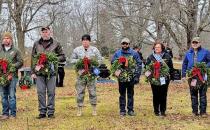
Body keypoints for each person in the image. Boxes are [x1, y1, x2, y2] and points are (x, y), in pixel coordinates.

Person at [31, 26, 66, 119]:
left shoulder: (56, 44)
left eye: (46, 32)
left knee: (51, 92)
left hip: (52, 72)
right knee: (40, 92)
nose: (45, 33)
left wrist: (53, 59)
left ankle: (50, 112)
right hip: (39, 73)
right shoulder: (36, 44)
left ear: (50, 32)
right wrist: (33, 72)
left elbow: (62, 57)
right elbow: (33, 58)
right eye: (43, 32)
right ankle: (42, 112)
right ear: (41, 33)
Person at [71, 34, 102, 116]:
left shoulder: (94, 50)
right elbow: (71, 60)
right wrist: (80, 61)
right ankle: (79, 109)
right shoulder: (77, 50)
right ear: (82, 41)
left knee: (93, 92)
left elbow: (100, 60)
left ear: (89, 41)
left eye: (87, 40)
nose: (85, 42)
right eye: (83, 40)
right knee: (80, 91)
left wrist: (92, 62)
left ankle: (94, 109)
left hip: (91, 74)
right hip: (81, 74)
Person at [111, 38, 142, 116]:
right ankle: (122, 110)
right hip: (121, 77)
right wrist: (116, 70)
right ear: (121, 44)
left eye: (126, 43)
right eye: (123, 43)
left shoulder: (134, 53)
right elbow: (112, 63)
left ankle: (130, 110)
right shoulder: (117, 53)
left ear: (129, 44)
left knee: (130, 94)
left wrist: (137, 76)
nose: (125, 45)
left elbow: (139, 64)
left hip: (131, 76)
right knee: (122, 94)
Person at [182, 37, 210, 117]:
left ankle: (203, 112)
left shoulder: (205, 52)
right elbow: (184, 64)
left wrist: (204, 67)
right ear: (191, 44)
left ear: (199, 43)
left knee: (202, 94)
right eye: (193, 43)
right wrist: (183, 75)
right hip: (192, 76)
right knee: (193, 94)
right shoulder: (188, 53)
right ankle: (194, 111)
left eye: (196, 42)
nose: (194, 44)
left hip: (202, 76)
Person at [145, 40, 174, 117]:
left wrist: (171, 76)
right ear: (154, 48)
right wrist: (148, 76)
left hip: (164, 79)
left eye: (158, 47)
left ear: (162, 48)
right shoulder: (150, 57)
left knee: (163, 94)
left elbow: (171, 67)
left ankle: (163, 111)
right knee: (155, 94)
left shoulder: (167, 56)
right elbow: (146, 67)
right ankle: (156, 111)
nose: (157, 48)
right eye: (156, 47)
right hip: (154, 79)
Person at [0, 32, 23, 120]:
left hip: (12, 76)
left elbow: (20, 62)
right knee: (3, 95)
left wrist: (13, 66)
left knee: (12, 95)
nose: (6, 40)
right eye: (4, 38)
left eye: (7, 38)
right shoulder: (0, 50)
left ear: (11, 40)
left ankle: (13, 114)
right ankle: (5, 114)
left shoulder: (16, 50)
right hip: (2, 77)